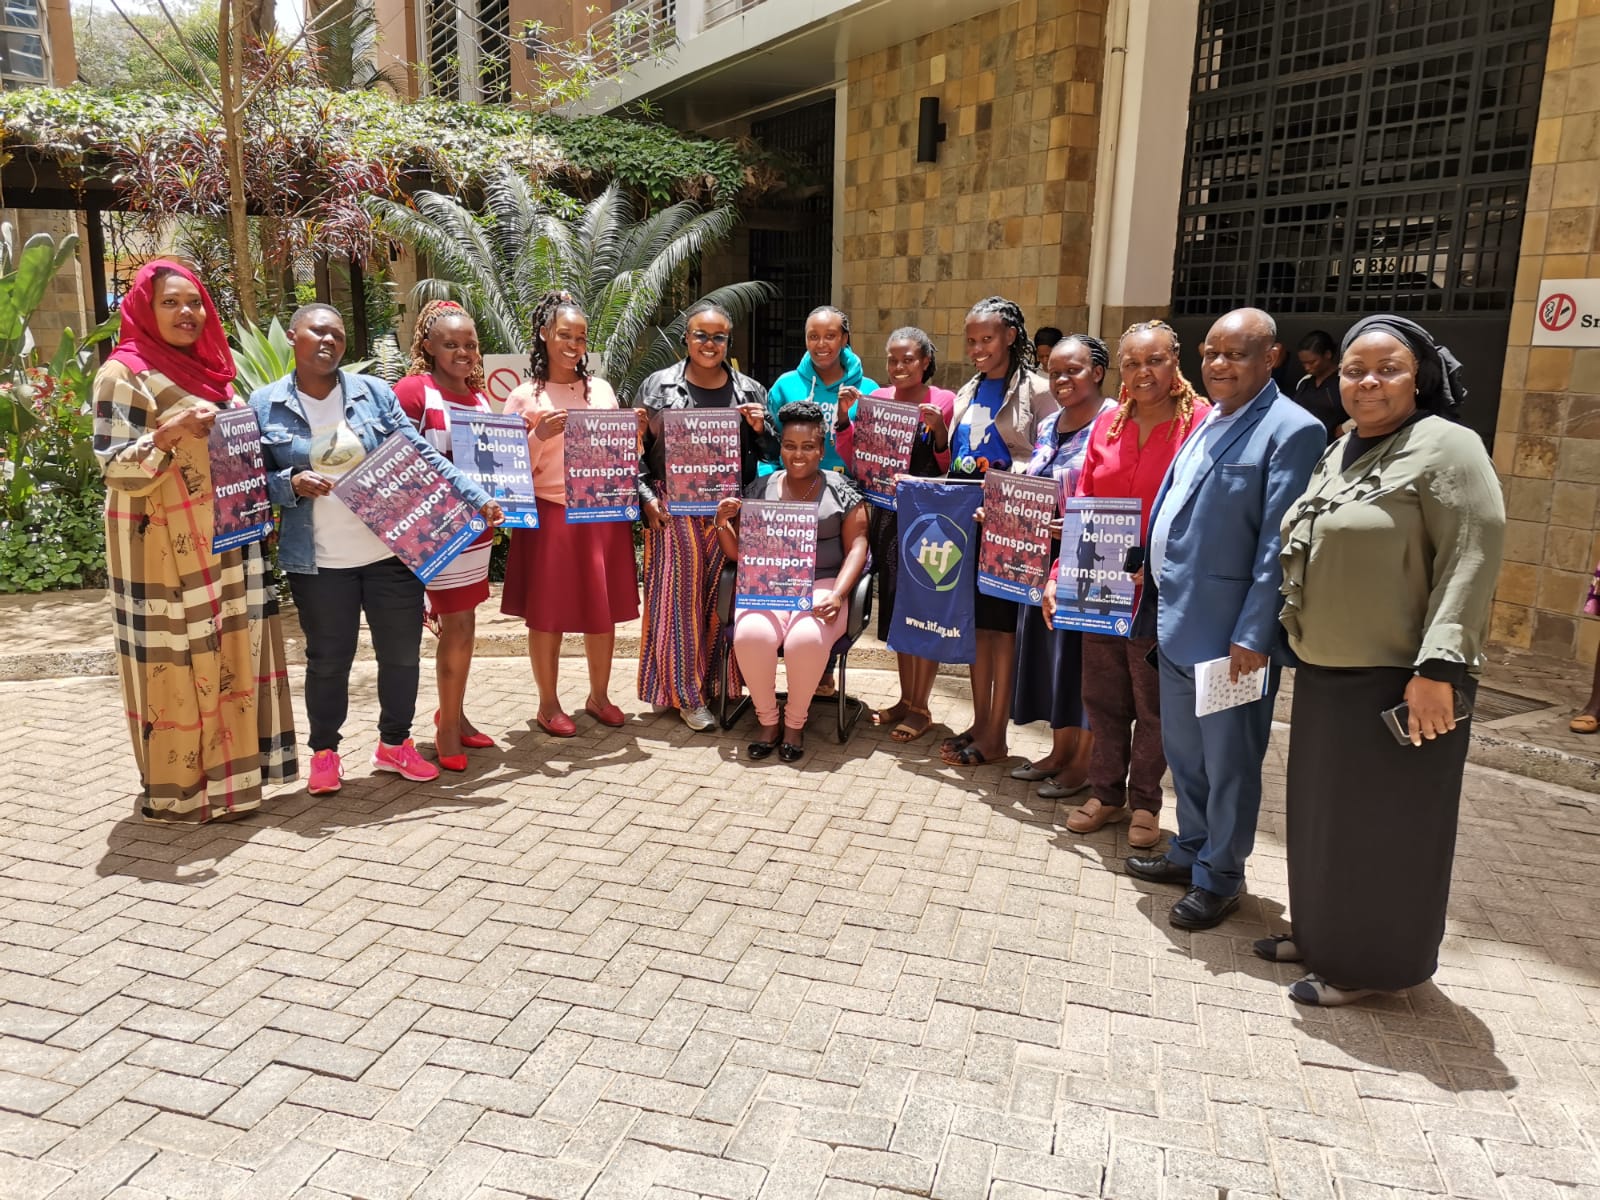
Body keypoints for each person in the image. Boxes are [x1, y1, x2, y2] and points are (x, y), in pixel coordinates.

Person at [1273, 314, 1504, 1005]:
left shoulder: (1448, 448)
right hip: (1328, 674)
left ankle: (1367, 966)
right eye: (1352, 370)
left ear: (1421, 376)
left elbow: (1473, 556)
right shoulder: (1342, 445)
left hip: (1401, 682)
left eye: (1388, 369)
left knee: (1385, 833)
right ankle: (1320, 936)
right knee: (1323, 822)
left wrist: (1439, 670)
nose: (1367, 382)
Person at [1121, 309, 1324, 930]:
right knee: (1187, 755)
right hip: (1177, 623)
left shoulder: (1293, 429)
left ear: (1272, 358)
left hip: (1232, 639)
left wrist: (1253, 634)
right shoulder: (1210, 416)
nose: (1217, 365)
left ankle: (1221, 877)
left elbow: (1276, 544)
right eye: (1210, 353)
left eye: (1235, 354)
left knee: (1229, 761)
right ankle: (1190, 850)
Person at [253, 304, 503, 793]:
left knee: (401, 656)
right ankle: (324, 753)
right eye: (317, 331)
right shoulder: (265, 405)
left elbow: (421, 453)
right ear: (292, 335)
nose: (328, 341)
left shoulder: (372, 394)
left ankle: (395, 745)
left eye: (338, 334)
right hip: (320, 560)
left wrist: (476, 497)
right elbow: (248, 480)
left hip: (390, 553)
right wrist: (288, 482)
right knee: (329, 658)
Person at [93, 259, 298, 822]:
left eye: (195, 302)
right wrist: (167, 434)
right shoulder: (124, 374)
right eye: (170, 303)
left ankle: (233, 789)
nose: (187, 313)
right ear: (142, 309)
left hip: (227, 542)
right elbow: (114, 468)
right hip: (161, 550)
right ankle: (181, 789)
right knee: (177, 665)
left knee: (234, 658)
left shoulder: (214, 372)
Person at [1047, 320, 1209, 848]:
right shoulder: (1108, 426)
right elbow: (1081, 508)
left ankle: (1146, 803)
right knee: (1104, 696)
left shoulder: (1201, 425)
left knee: (1154, 704)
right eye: (1134, 363)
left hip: (1162, 593)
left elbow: (1209, 514)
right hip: (1100, 589)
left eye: (1156, 361)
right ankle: (1106, 795)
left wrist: (1170, 560)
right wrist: (1057, 577)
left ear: (1175, 361)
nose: (1144, 373)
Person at [637, 301, 778, 731]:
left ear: (727, 342)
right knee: (678, 604)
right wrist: (645, 497)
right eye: (701, 335)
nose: (709, 344)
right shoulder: (658, 386)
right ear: (686, 337)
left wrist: (762, 430)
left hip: (728, 510)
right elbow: (634, 452)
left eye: (718, 337)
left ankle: (720, 685)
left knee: (725, 601)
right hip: (674, 509)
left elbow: (773, 456)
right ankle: (685, 694)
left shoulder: (750, 390)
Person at [502, 291, 639, 735]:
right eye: (564, 334)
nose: (572, 344)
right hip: (552, 515)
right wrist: (539, 433)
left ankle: (599, 696)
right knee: (549, 613)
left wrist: (633, 435)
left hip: (601, 514)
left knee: (601, 610)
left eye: (580, 337)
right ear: (544, 335)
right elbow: (506, 468)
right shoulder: (523, 396)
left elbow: (621, 456)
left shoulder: (601, 390)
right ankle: (548, 704)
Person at [717, 400, 870, 763]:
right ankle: (767, 721)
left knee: (806, 637)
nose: (797, 454)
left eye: (807, 447)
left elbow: (858, 546)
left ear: (821, 449)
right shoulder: (761, 487)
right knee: (751, 633)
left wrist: (838, 594)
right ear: (781, 446)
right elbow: (739, 555)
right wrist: (723, 522)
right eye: (789, 446)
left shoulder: (841, 490)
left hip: (823, 584)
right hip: (770, 585)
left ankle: (795, 724)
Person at [941, 296, 1058, 767]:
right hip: (971, 521)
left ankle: (996, 733)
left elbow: (1049, 455)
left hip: (1011, 525)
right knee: (979, 628)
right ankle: (980, 718)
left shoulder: (1040, 390)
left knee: (1004, 630)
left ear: (1011, 336)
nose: (977, 348)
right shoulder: (968, 389)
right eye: (970, 340)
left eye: (986, 339)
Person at [835, 327, 956, 743]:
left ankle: (922, 706)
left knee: (923, 607)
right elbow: (855, 458)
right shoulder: (878, 401)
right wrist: (843, 417)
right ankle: (906, 699)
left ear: (925, 361)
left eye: (908, 359)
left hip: (926, 518)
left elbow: (948, 466)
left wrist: (939, 432)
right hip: (886, 516)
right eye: (892, 359)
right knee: (900, 611)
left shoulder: (943, 401)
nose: (899, 367)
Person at [393, 300, 497, 769]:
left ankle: (454, 712)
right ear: (428, 346)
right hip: (434, 535)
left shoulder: (479, 397)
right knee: (456, 629)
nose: (463, 352)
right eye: (451, 344)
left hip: (476, 535)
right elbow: (397, 460)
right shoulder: (415, 391)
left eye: (470, 344)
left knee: (465, 626)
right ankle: (447, 728)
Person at [1010, 334, 1115, 798]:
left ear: (1097, 371)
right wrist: (1004, 510)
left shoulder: (1115, 422)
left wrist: (1073, 523)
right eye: (1053, 371)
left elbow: (1114, 495)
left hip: (1092, 561)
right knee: (1052, 657)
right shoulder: (1050, 423)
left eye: (1072, 370)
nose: (1061, 379)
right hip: (1041, 560)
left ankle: (1086, 763)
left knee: (1084, 663)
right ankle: (1059, 751)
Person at [762, 305, 878, 475]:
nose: (821, 344)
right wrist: (769, 483)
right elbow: (769, 446)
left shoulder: (868, 390)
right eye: (813, 336)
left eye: (830, 336)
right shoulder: (785, 385)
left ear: (844, 339)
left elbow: (877, 451)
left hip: (851, 493)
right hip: (793, 491)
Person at [1291, 330, 1343, 443]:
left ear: (1327, 354)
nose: (1307, 367)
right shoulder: (1304, 383)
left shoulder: (1343, 381)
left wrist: (1347, 427)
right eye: (1303, 363)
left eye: (1312, 362)